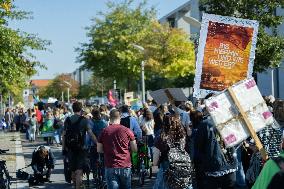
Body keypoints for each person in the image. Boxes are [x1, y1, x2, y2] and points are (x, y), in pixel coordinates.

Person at [97, 109, 137, 189]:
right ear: (120, 118)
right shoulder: (127, 131)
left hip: (110, 165)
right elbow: (134, 149)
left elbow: (99, 150)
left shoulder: (104, 131)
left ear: (110, 118)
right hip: (125, 165)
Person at [153, 114, 194, 189]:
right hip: (184, 170)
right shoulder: (184, 136)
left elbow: (155, 161)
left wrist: (154, 167)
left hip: (167, 169)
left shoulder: (161, 138)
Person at [62, 101, 97, 189]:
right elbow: (90, 133)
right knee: (79, 170)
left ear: (72, 109)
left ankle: (74, 186)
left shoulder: (68, 120)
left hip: (70, 148)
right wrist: (97, 143)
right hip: (82, 148)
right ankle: (78, 187)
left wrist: (63, 148)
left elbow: (64, 135)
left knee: (73, 170)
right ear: (81, 109)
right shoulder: (84, 120)